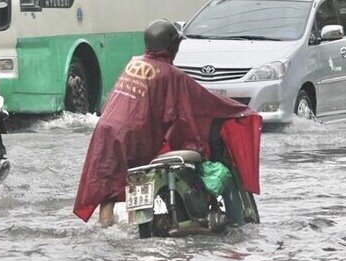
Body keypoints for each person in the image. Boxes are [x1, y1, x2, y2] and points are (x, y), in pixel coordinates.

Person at [73, 19, 262, 227]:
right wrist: (238, 110)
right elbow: (189, 109)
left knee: (107, 191)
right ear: (173, 46)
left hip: (105, 130)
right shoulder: (170, 74)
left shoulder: (134, 63)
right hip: (134, 135)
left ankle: (105, 229)